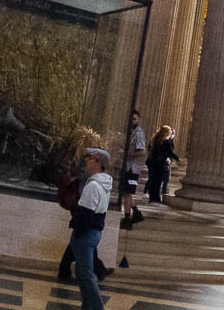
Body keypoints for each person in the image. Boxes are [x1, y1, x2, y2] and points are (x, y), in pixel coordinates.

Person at [69, 148, 112, 310]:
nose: (86, 161)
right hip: (93, 231)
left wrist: (77, 232)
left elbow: (86, 213)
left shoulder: (94, 185)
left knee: (86, 275)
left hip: (86, 233)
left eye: (90, 158)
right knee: (82, 273)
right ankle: (87, 306)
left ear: (97, 162)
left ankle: (96, 307)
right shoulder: (104, 183)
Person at [121, 111, 145, 224]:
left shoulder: (139, 134)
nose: (132, 121)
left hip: (133, 168)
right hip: (128, 167)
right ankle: (136, 213)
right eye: (131, 119)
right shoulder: (130, 132)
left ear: (138, 120)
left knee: (126, 193)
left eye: (135, 119)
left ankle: (127, 218)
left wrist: (127, 154)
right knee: (127, 193)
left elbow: (142, 152)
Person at [143, 126, 177, 204]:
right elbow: (169, 152)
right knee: (158, 181)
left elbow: (151, 150)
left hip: (152, 162)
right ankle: (156, 197)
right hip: (160, 164)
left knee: (153, 179)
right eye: (171, 133)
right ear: (167, 133)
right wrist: (177, 158)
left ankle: (152, 197)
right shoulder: (167, 142)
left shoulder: (155, 140)